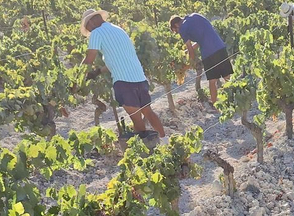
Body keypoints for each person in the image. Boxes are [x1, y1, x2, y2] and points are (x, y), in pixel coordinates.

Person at [81, 10, 165, 140]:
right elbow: (117, 59)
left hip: (124, 82)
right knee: (148, 112)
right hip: (139, 78)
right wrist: (97, 72)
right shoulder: (118, 29)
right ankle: (164, 140)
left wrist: (79, 76)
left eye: (88, 28)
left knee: (136, 120)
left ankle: (147, 151)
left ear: (91, 22)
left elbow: (89, 58)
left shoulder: (97, 33)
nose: (89, 31)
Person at [169, 13, 233, 103]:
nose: (177, 33)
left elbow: (191, 51)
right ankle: (233, 100)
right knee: (227, 77)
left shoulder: (183, 28)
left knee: (212, 81)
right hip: (219, 46)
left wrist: (189, 64)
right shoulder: (196, 16)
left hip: (208, 53)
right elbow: (202, 38)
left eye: (176, 31)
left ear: (176, 25)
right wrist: (186, 52)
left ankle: (215, 105)